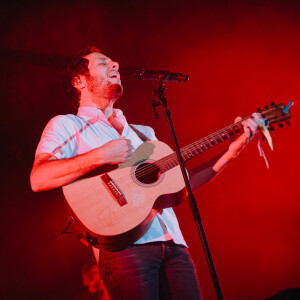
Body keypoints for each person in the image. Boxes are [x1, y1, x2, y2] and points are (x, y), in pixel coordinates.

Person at [30, 46, 262, 300]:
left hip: (174, 246)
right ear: (79, 81)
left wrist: (231, 152)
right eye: (102, 63)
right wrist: (99, 156)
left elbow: (182, 185)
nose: (115, 64)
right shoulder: (67, 125)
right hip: (125, 249)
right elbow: (39, 178)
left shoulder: (143, 133)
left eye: (113, 61)